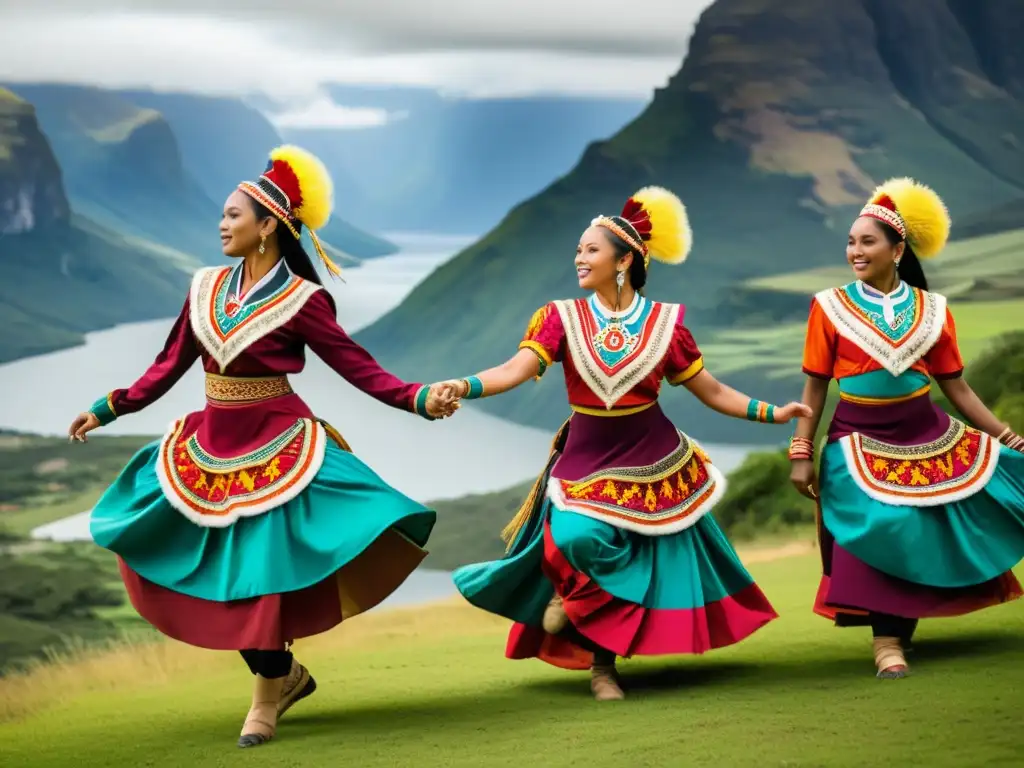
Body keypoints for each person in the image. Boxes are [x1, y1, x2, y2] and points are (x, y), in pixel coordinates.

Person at [67, 145, 458, 747]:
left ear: (268, 225)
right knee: (193, 564)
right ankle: (288, 674)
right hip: (209, 445)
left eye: (233, 215)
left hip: (279, 446)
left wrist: (416, 397)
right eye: (221, 216)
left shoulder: (304, 299)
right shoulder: (203, 288)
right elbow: (168, 366)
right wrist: (109, 406)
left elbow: (358, 367)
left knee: (261, 582)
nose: (222, 225)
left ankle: (264, 703)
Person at [436, 187, 810, 700]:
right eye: (577, 250)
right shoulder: (559, 318)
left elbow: (713, 390)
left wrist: (772, 413)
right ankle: (576, 608)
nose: (579, 259)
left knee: (632, 551)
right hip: (585, 461)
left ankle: (602, 668)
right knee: (575, 539)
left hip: (655, 462)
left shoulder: (666, 324)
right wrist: (466, 384)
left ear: (625, 259)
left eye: (590, 249)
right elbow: (516, 369)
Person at [788, 177, 1024, 679]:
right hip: (855, 436)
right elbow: (814, 388)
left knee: (923, 525)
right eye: (851, 241)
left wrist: (1007, 437)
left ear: (897, 249)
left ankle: (898, 629)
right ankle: (886, 643)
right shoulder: (827, 306)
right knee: (878, 523)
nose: (855, 250)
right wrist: (802, 450)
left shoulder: (933, 310)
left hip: (926, 431)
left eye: (867, 241)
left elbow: (957, 389)